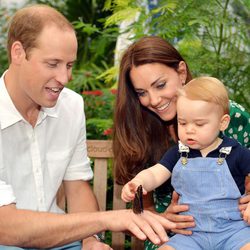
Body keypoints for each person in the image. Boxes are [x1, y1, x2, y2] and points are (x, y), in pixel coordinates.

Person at [0, 5, 177, 249]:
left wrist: (90, 239)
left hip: (61, 241)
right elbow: (6, 227)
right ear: (18, 53)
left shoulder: (71, 106)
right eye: (53, 64)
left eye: (69, 65)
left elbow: (77, 187)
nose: (64, 78)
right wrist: (105, 219)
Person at [113, 36, 250, 249]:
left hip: (233, 230)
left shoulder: (224, 115)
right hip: (182, 235)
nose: (154, 100)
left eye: (160, 85)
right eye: (142, 92)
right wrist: (161, 219)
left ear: (182, 72)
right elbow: (153, 178)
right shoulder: (162, 141)